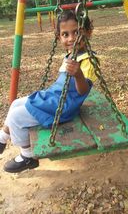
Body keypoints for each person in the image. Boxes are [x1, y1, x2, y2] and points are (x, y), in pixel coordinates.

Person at [0, 10, 97, 173]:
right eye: (65, 34)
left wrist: (78, 74)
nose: (71, 38)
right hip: (55, 98)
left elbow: (82, 91)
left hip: (62, 108)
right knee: (16, 103)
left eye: (77, 32)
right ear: (59, 38)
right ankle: (2, 138)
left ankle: (28, 157)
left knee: (17, 117)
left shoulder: (87, 61)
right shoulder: (72, 55)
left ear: (88, 32)